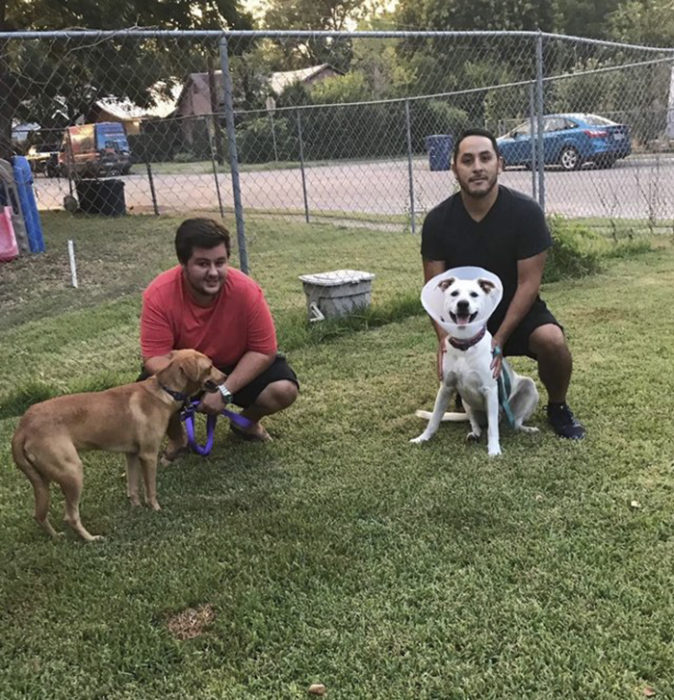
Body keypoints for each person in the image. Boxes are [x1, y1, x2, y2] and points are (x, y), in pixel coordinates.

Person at [420, 128, 585, 439]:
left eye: (486, 158)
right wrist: (446, 341)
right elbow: (434, 290)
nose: (477, 167)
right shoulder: (438, 220)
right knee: (447, 360)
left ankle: (558, 407)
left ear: (501, 163)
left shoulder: (526, 213)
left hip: (516, 310)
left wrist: (499, 339)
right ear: (454, 168)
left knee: (552, 341)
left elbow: (528, 285)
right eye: (467, 160)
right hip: (466, 315)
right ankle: (468, 392)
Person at [140, 217, 299, 450]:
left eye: (220, 262)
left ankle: (246, 422)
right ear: (183, 263)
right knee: (148, 392)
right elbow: (154, 358)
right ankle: (177, 439)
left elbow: (264, 350)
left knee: (284, 389)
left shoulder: (246, 290)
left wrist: (223, 390)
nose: (213, 272)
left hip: (236, 366)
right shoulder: (159, 294)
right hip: (188, 373)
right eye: (203, 264)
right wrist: (199, 383)